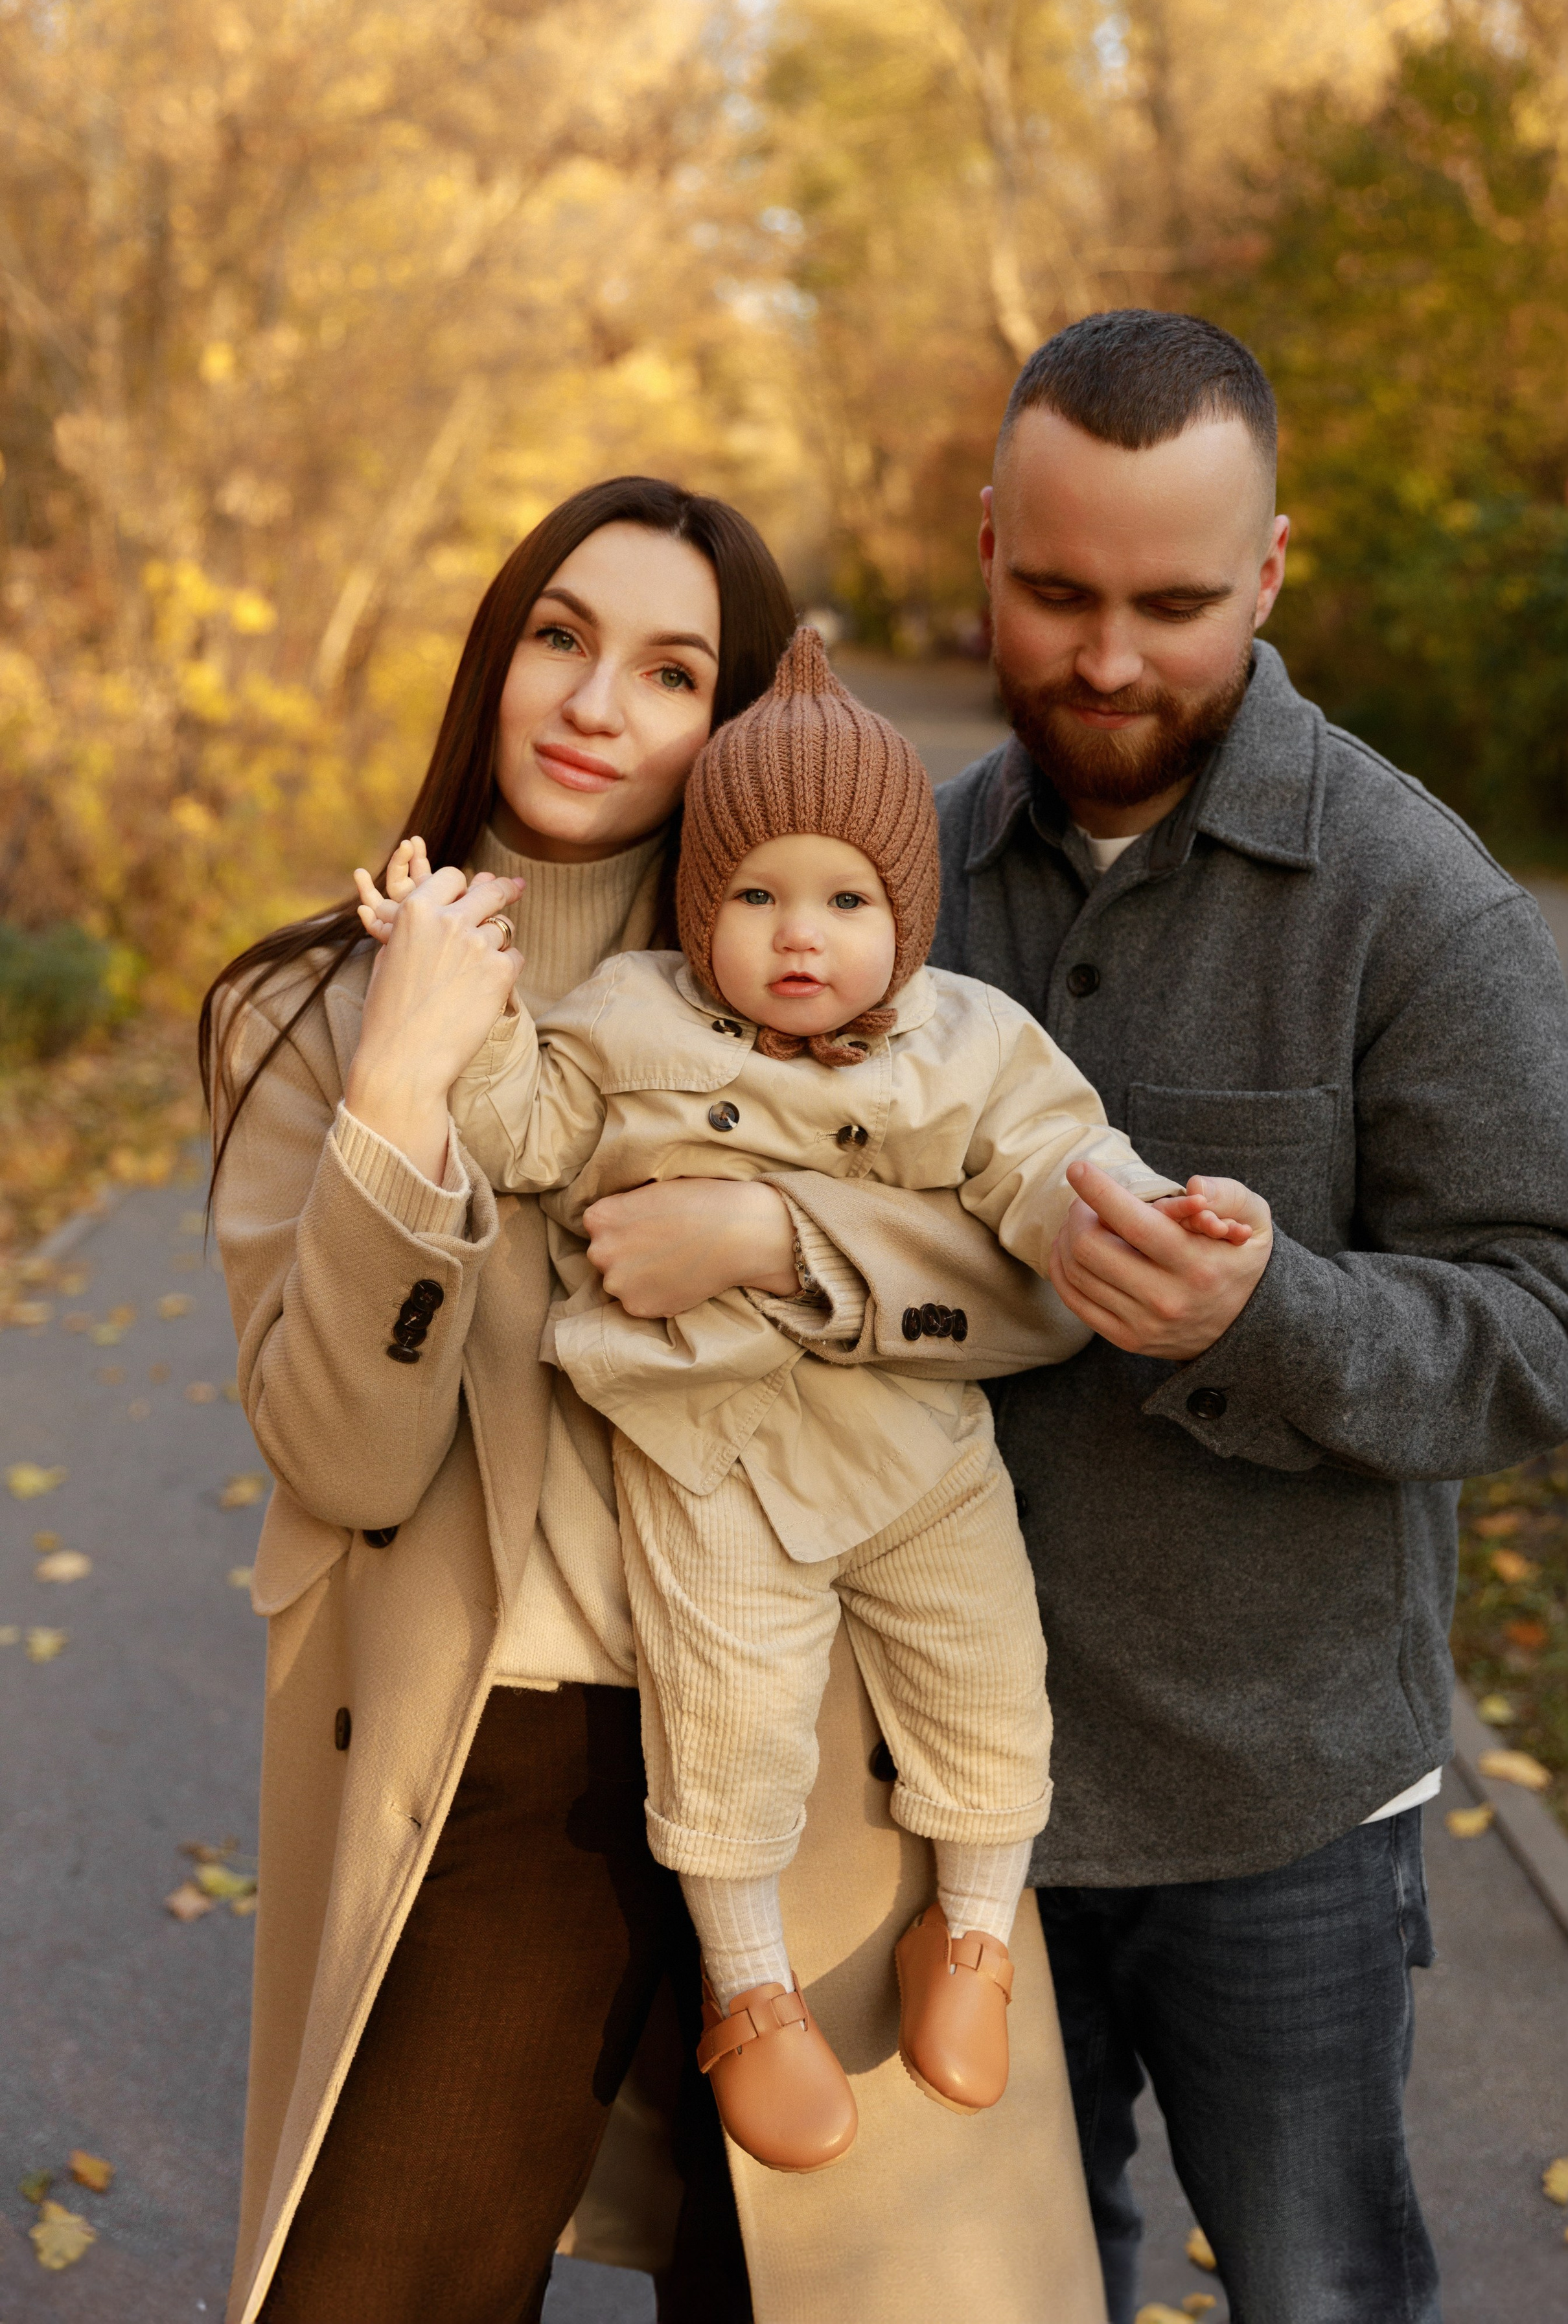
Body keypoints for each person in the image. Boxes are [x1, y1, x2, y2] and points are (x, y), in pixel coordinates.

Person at [204, 476, 1109, 2324]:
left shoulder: (852, 984)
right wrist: (404, 1080)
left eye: (672, 667)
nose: (597, 699)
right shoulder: (306, 1010)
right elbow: (345, 1455)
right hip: (502, 1745)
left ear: (744, 717)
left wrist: (780, 1233)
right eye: (560, 634)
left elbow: (1040, 1279)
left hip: (824, 1740)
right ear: (497, 655)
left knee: (807, 2289)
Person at [931, 310, 1568, 2323]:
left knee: (1321, 2293)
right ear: (986, 540)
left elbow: (1563, 1328)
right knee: (1000, 2296)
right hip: (955, 1795)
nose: (1109, 657)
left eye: (1173, 600)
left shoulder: (1424, 904)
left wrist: (1272, 1310)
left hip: (1286, 1809)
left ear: (1271, 568)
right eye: (1058, 590)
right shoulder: (911, 882)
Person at [356, 629, 1254, 2172]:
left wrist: (1138, 1205)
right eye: (756, 895)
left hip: (915, 1446)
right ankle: (749, 1993)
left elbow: (1046, 1159)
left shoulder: (961, 1038)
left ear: (903, 917)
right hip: (710, 1458)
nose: (798, 936)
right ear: (703, 904)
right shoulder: (630, 1017)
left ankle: (968, 1938)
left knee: (987, 1679)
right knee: (730, 1730)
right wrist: (468, 1006)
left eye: (845, 901)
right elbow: (523, 1129)